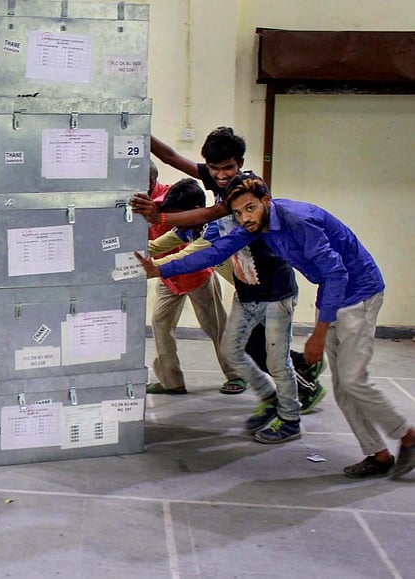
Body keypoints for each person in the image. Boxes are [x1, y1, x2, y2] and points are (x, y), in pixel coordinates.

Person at [136, 172, 415, 477]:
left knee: (352, 380)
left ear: (265, 201)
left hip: (360, 292)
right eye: (239, 212)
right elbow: (213, 252)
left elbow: (337, 274)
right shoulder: (254, 225)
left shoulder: (299, 220)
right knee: (343, 387)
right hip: (333, 297)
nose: (244, 218)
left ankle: (408, 436)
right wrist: (158, 271)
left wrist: (318, 333)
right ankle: (379, 454)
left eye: (250, 208)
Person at [131, 127, 326, 413]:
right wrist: (138, 130)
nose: (221, 175)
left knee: (259, 349)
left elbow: (206, 223)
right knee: (251, 345)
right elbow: (172, 157)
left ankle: (302, 392)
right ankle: (303, 368)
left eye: (228, 168)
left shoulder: (247, 189)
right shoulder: (212, 200)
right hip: (246, 283)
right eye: (214, 169)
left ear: (240, 164)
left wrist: (159, 221)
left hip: (271, 283)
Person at [146, 177, 244, 395]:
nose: (174, 221)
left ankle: (238, 375)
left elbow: (185, 256)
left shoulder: (213, 229)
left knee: (218, 327)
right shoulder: (186, 228)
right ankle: (171, 381)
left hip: (200, 276)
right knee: (160, 323)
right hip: (169, 277)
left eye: (179, 216)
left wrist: (147, 268)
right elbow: (155, 246)